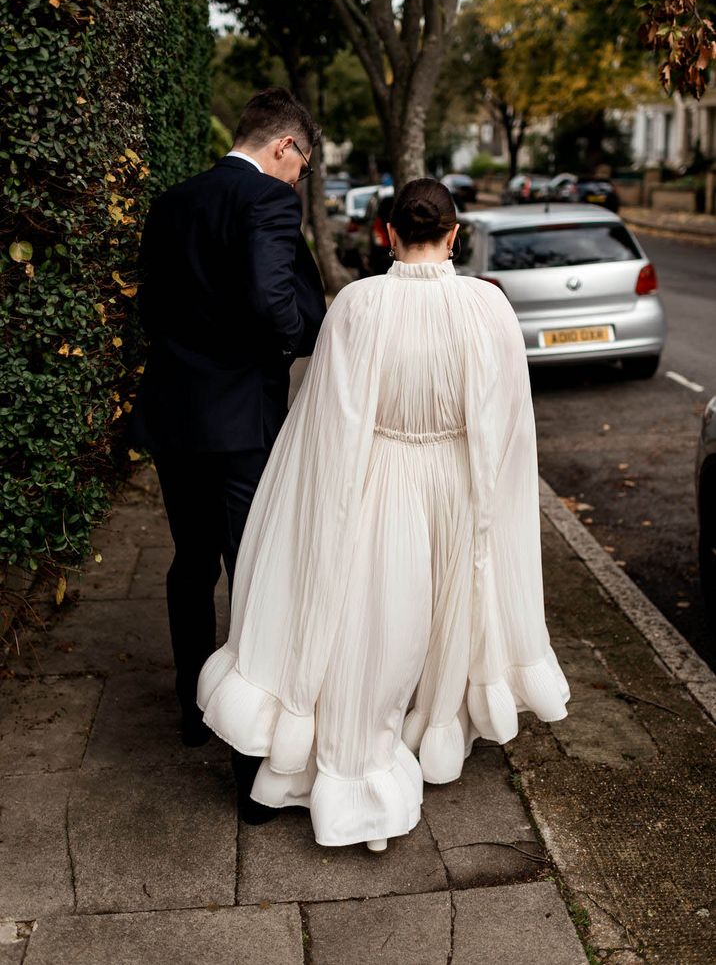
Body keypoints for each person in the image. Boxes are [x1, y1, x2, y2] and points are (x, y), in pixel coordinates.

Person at [198, 178, 570, 853]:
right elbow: (511, 424)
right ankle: (426, 735)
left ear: (388, 234)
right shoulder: (490, 309)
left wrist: (319, 512)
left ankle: (358, 748)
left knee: (376, 619)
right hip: (462, 480)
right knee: (442, 613)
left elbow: (328, 419)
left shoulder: (359, 305)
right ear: (454, 236)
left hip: (381, 477)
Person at [126, 89, 327, 798]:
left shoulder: (172, 200)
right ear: (284, 148)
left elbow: (150, 305)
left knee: (190, 560)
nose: (298, 180)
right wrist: (294, 342)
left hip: (176, 413)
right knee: (252, 570)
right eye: (301, 166)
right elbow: (276, 302)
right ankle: (245, 753)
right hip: (242, 418)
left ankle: (190, 706)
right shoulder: (268, 202)